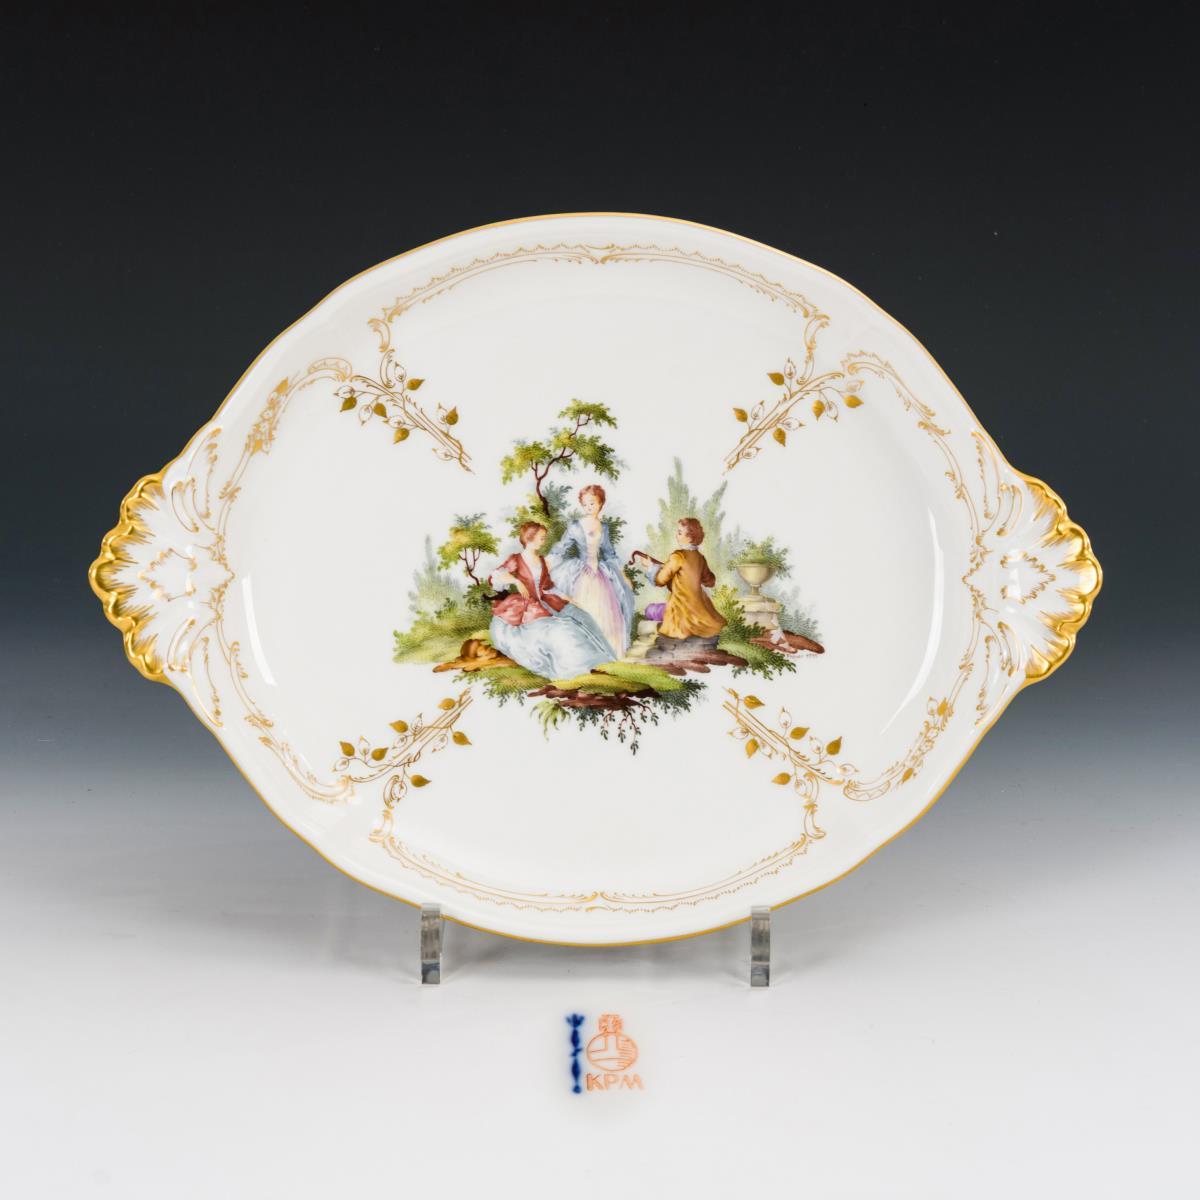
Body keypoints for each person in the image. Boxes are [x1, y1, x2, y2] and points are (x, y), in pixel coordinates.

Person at [488, 521, 613, 680]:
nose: (543, 541)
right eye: (541, 538)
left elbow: (548, 586)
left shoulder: (541, 560)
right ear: (530, 538)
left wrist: (568, 599)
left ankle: (601, 662)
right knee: (562, 631)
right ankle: (579, 669)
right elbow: (495, 576)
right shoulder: (516, 559)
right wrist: (516, 581)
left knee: (582, 617)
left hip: (546, 601)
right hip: (526, 607)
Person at [547, 484, 635, 658]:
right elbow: (562, 547)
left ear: (600, 503)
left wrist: (623, 575)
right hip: (581, 574)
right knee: (584, 610)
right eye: (585, 504)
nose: (588, 507)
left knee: (606, 613)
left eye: (592, 503)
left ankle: (607, 653)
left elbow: (609, 553)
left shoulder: (604, 528)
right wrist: (548, 563)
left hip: (600, 575)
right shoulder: (575, 526)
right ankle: (584, 655)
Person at [633, 517, 726, 660]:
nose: (677, 535)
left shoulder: (678, 556)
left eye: (680, 532)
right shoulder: (700, 558)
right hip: (700, 610)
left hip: (681, 610)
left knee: (651, 611)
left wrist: (650, 567)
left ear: (690, 537)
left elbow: (660, 580)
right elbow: (710, 581)